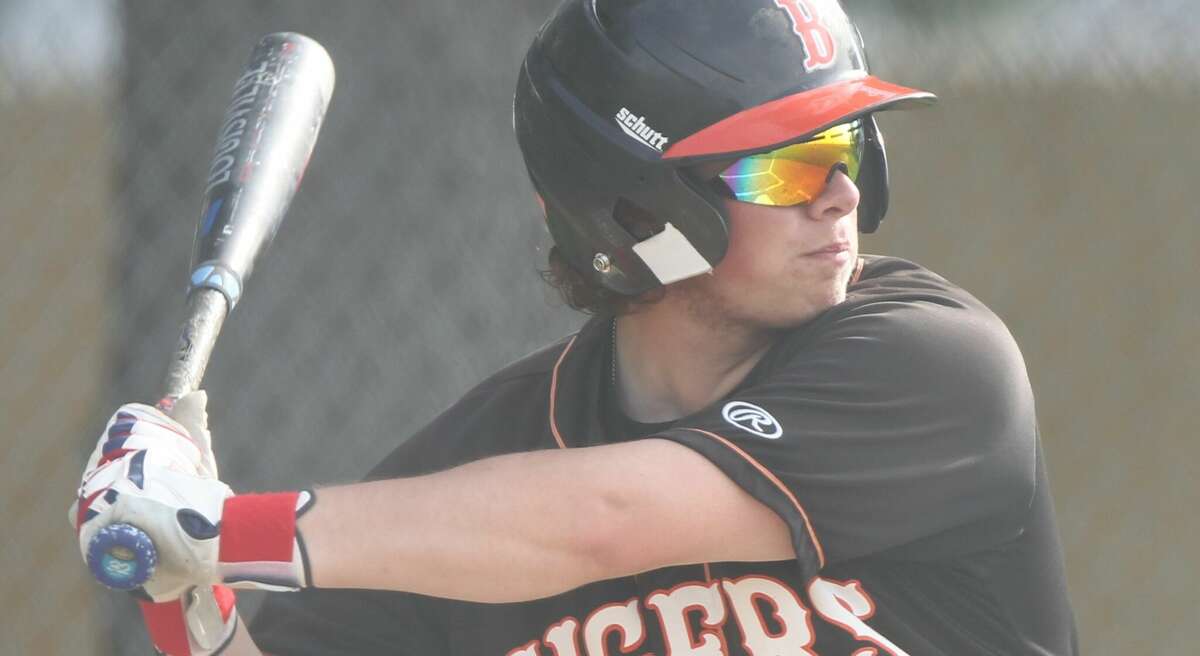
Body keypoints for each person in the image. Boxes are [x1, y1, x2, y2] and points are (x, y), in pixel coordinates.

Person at [73, 1, 1079, 654]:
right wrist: (182, 585)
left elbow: (607, 519)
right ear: (637, 212)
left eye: (848, 145)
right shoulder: (479, 469)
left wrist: (222, 525)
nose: (838, 195)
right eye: (782, 165)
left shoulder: (931, 364)